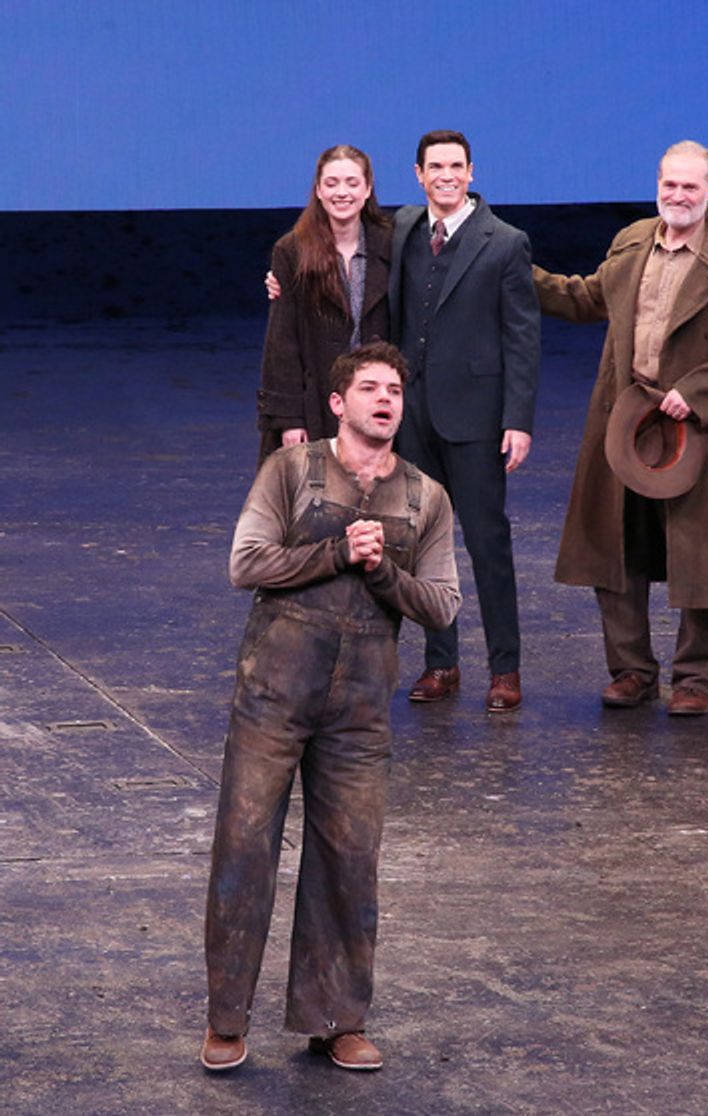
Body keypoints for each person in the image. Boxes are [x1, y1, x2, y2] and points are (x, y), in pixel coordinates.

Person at [202, 341, 460, 1073]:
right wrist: (336, 553)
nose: (386, 401)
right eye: (371, 389)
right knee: (245, 848)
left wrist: (383, 572)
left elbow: (442, 605)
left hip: (359, 712)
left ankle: (337, 1020)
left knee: (349, 859)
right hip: (273, 698)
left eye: (395, 391)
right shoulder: (290, 471)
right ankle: (227, 1019)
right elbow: (246, 563)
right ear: (338, 403)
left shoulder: (425, 497)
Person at [534, 140, 708, 717]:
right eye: (670, 184)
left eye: (690, 186)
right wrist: (516, 272)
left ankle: (695, 678)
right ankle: (632, 671)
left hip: (699, 424)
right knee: (617, 545)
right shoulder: (632, 242)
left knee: (701, 552)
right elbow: (588, 297)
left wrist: (695, 393)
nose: (678, 195)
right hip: (629, 416)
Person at [388, 130, 541, 713]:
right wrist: (282, 276)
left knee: (486, 543)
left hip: (476, 418)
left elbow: (521, 337)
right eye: (435, 167)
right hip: (414, 416)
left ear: (472, 172)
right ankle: (441, 663)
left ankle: (505, 669)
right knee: (425, 544)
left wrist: (517, 420)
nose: (446, 176)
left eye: (456, 166)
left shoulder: (505, 242)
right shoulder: (403, 229)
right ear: (419, 174)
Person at [256, 144, 391, 464]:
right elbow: (282, 342)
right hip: (317, 402)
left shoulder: (393, 243)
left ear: (367, 189)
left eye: (352, 183)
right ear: (318, 190)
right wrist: (289, 419)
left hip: (380, 403)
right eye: (331, 183)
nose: (341, 192)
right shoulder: (292, 250)